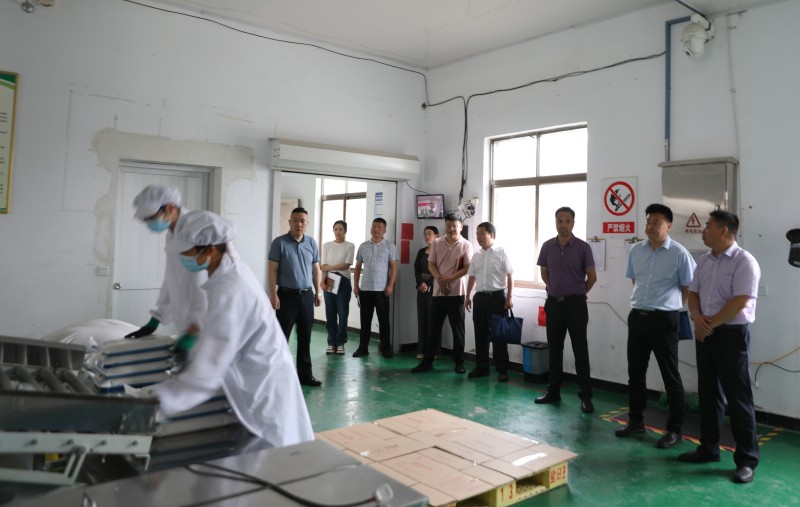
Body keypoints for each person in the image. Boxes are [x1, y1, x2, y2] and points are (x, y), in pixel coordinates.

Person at [152, 210, 314, 449]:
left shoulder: (231, 288)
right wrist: (197, 331)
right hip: (253, 375)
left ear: (210, 250)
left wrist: (155, 402)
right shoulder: (226, 272)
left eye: (186, 252)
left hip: (265, 386)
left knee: (277, 452)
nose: (182, 258)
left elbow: (206, 373)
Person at [680, 210, 761, 484]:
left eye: (708, 226)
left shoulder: (744, 261)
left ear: (723, 230)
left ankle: (747, 460)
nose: (703, 230)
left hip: (731, 335)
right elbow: (694, 293)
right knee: (708, 393)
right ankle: (708, 448)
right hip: (707, 332)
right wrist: (696, 316)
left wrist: (709, 324)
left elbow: (740, 301)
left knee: (738, 398)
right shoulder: (705, 260)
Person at [615, 203, 696, 446]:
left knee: (670, 375)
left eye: (656, 223)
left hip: (665, 320)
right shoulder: (636, 250)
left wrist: (671, 307)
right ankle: (636, 421)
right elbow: (635, 282)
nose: (650, 227)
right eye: (648, 222)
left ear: (668, 226)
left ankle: (674, 430)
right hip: (638, 317)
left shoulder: (680, 253)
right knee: (635, 373)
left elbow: (688, 288)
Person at [127, 185, 207, 355]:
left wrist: (196, 330)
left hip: (208, 327)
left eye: (151, 217)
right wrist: (156, 318)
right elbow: (172, 279)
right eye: (145, 220)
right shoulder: (173, 234)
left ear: (170, 208)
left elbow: (208, 286)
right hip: (191, 325)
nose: (149, 223)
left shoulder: (198, 231)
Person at [535, 207, 597, 413]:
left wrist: (580, 292)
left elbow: (592, 277)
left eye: (567, 221)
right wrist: (554, 288)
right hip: (554, 304)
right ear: (555, 222)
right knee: (554, 350)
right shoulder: (547, 246)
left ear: (573, 223)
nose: (563, 224)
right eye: (560, 220)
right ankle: (553, 391)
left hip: (576, 305)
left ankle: (586, 396)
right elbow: (544, 274)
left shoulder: (583, 248)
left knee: (581, 351)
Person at [267, 207, 323, 387]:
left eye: (302, 221)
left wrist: (318, 292)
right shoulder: (279, 243)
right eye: (296, 220)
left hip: (306, 296)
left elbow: (316, 269)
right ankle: (278, 375)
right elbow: (272, 270)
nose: (299, 224)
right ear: (290, 222)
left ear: (307, 223)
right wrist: (273, 294)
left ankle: (305, 375)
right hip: (286, 296)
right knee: (282, 337)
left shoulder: (311, 243)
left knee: (305, 337)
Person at [411, 214, 473, 374]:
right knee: (433, 329)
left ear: (460, 227)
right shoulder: (437, 243)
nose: (451, 229)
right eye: (448, 226)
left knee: (458, 331)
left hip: (457, 293)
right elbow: (431, 264)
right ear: (445, 226)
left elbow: (467, 268)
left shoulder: (466, 245)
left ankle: (459, 363)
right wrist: (440, 280)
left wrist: (448, 280)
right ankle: (427, 362)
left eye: (455, 226)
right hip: (438, 293)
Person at [465, 222, 514, 382]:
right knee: (480, 334)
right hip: (480, 298)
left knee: (499, 335)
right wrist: (467, 296)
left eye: (481, 233)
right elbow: (472, 276)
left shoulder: (501, 252)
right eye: (477, 234)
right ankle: (482, 367)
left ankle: (502, 370)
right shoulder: (476, 255)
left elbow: (510, 276)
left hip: (497, 299)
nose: (478, 237)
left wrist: (509, 297)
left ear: (491, 235)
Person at [352, 218, 398, 358]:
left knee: (384, 321)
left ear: (384, 230)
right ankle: (363, 348)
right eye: (374, 226)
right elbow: (357, 267)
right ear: (371, 228)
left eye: (379, 227)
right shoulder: (363, 246)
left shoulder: (390, 246)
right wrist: (356, 285)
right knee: (365, 321)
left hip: (382, 290)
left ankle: (385, 348)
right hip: (365, 290)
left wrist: (390, 285)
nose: (376, 229)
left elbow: (394, 267)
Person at [320, 220, 355, 355]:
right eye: (335, 229)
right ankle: (331, 342)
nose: (338, 231)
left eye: (340, 229)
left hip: (343, 281)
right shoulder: (327, 245)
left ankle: (340, 343)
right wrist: (322, 281)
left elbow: (346, 265)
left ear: (345, 231)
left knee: (343, 313)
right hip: (329, 280)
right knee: (330, 313)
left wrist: (330, 267)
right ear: (333, 230)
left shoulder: (350, 246)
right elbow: (323, 266)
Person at [414, 226, 439, 360]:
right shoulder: (421, 252)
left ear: (436, 235)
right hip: (421, 290)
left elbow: (439, 271)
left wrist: (429, 284)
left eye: (430, 234)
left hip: (434, 290)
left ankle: (434, 351)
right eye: (425, 234)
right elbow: (417, 269)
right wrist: (420, 284)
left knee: (433, 321)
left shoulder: (440, 251)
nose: (427, 236)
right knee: (422, 319)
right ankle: (421, 350)